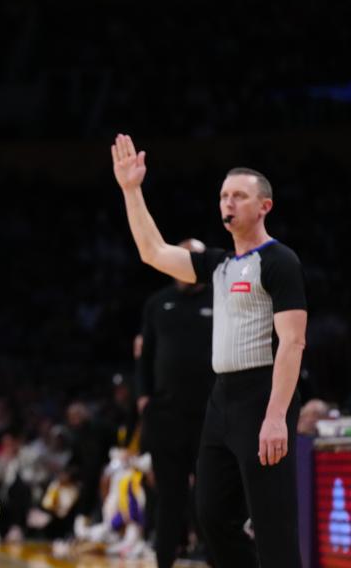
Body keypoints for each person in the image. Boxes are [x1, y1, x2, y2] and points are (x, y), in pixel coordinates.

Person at [111, 134, 307, 568]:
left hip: (262, 394)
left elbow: (293, 342)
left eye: (239, 195)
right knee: (212, 515)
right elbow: (152, 252)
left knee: (273, 522)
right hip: (221, 401)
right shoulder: (218, 263)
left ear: (264, 207)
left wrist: (276, 416)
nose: (229, 202)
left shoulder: (280, 262)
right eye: (223, 195)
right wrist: (131, 190)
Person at [136, 238, 214, 567]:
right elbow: (144, 355)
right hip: (166, 416)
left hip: (211, 415)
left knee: (211, 495)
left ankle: (214, 558)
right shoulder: (157, 304)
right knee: (169, 496)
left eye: (194, 259)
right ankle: (164, 560)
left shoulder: (221, 300)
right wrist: (143, 399)